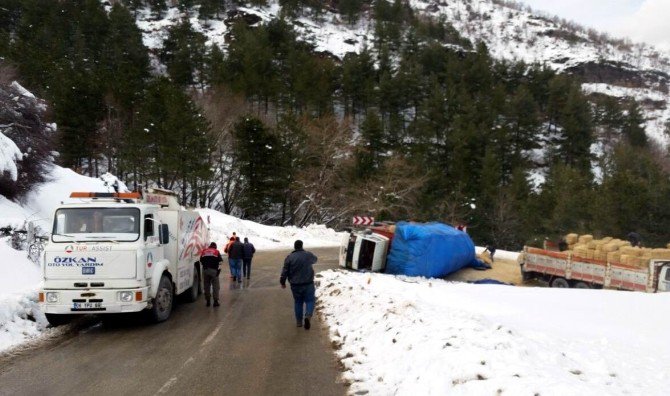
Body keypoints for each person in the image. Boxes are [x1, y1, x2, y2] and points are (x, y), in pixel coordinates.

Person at [280, 240, 318, 330]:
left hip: (295, 285)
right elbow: (315, 259)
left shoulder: (289, 257)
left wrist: (282, 282)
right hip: (308, 283)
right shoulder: (308, 255)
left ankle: (299, 322)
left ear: (294, 247)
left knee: (298, 302)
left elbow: (285, 270)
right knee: (310, 301)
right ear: (302, 246)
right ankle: (308, 316)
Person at [200, 242, 223, 307]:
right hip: (214, 271)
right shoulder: (216, 251)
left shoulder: (204, 251)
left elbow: (201, 260)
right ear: (215, 246)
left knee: (206, 286)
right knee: (215, 286)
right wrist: (218, 269)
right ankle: (215, 302)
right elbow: (220, 261)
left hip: (206, 271)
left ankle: (208, 301)